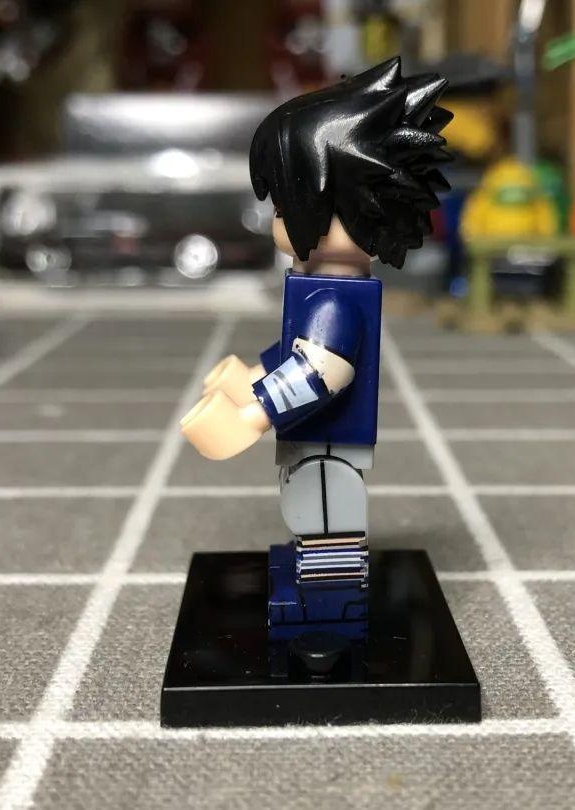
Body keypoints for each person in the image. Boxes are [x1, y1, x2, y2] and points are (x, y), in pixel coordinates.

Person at [179, 57, 452, 660]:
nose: (277, 221)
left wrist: (253, 414)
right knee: (310, 507)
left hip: (330, 441)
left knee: (325, 513)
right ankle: (319, 582)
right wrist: (252, 376)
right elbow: (295, 352)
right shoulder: (321, 290)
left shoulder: (337, 300)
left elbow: (322, 372)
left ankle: (329, 609)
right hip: (316, 436)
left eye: (286, 205)